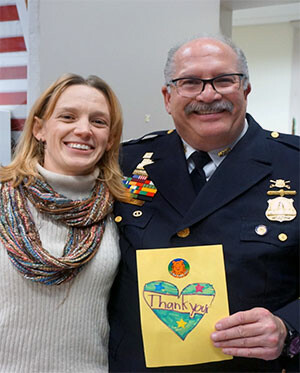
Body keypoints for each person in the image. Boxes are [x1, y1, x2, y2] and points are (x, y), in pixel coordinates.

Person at [108, 34, 299, 372]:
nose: (208, 95)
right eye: (190, 83)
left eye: (224, 80)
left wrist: (288, 328)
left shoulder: (293, 165)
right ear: (168, 98)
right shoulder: (123, 164)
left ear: (246, 91)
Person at [0, 73, 125, 372]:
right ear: (40, 128)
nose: (83, 130)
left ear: (109, 139)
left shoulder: (123, 210)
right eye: (68, 117)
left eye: (98, 122)